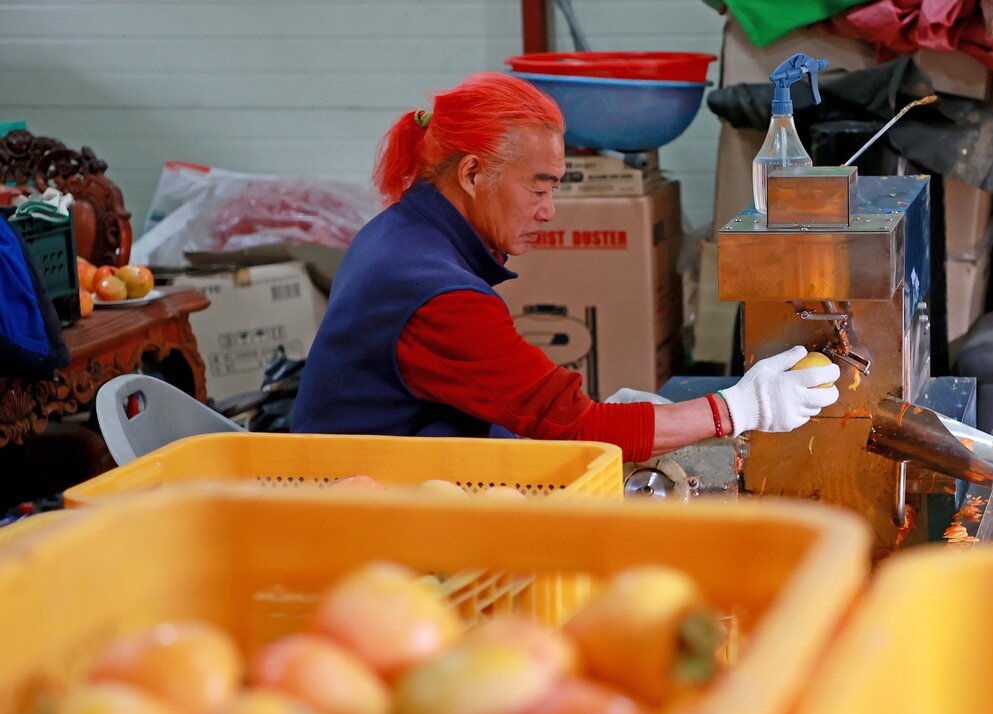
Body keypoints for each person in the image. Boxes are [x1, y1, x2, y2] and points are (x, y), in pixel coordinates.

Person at [292, 73, 838, 462]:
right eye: (538, 186)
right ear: (474, 173)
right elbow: (574, 428)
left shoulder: (396, 233)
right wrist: (744, 407)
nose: (549, 210)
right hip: (367, 505)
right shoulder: (438, 295)